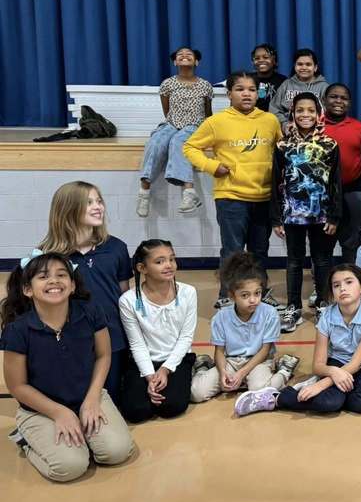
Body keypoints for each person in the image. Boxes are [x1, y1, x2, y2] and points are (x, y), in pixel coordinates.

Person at [1, 251, 135, 483]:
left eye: (61, 275)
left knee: (116, 452)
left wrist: (93, 398)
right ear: (27, 289)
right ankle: (27, 438)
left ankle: (83, 432)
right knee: (70, 467)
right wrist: (59, 412)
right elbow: (17, 386)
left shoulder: (90, 312)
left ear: (72, 285)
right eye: (43, 277)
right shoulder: (18, 330)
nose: (54, 280)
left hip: (88, 397)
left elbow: (103, 356)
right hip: (41, 409)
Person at [184, 70, 281, 310]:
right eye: (240, 89)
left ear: (258, 93)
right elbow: (190, 147)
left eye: (251, 89)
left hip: (264, 196)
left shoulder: (270, 120)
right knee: (233, 250)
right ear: (229, 94)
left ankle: (259, 291)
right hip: (231, 197)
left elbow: (281, 151)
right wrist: (212, 166)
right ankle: (227, 294)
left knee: (260, 249)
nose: (246, 94)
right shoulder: (217, 121)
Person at [234, 265, 361, 416]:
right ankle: (275, 398)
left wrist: (321, 385)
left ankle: (325, 391)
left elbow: (356, 364)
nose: (342, 288)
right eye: (336, 285)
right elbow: (318, 366)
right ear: (332, 293)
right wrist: (332, 372)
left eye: (349, 282)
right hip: (336, 363)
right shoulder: (327, 317)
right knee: (330, 403)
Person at [40, 181, 131, 402]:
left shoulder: (116, 247)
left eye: (99, 201)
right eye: (89, 202)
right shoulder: (47, 254)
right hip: (71, 338)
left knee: (110, 401)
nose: (98, 206)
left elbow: (124, 295)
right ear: (68, 208)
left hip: (113, 337)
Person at [271, 93, 342, 330]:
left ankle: (323, 304)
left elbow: (335, 183)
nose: (305, 115)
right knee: (294, 261)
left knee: (322, 260)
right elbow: (275, 182)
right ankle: (293, 308)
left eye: (311, 110)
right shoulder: (283, 145)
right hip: (292, 214)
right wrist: (276, 217)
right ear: (292, 113)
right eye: (300, 110)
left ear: (318, 113)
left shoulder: (329, 144)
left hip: (321, 213)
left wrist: (334, 215)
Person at [191, 253, 299, 403]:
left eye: (257, 293)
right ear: (232, 296)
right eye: (245, 295)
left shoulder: (270, 314)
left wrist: (242, 373)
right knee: (196, 393)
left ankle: (284, 370)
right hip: (231, 361)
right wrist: (223, 373)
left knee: (259, 391)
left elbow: (265, 350)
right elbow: (220, 351)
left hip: (259, 361)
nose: (253, 300)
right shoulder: (221, 317)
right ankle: (203, 367)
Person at [117, 240, 197, 423]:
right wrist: (150, 376)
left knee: (172, 407)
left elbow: (186, 337)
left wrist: (166, 370)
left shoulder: (188, 293)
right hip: (145, 360)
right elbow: (137, 343)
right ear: (142, 268)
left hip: (175, 359)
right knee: (136, 412)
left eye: (172, 259)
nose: (169, 265)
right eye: (159, 261)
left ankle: (194, 367)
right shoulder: (128, 301)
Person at [136, 46, 213, 217]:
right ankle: (144, 192)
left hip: (195, 125)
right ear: (175, 61)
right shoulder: (167, 84)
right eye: (180, 55)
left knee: (179, 141)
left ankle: (188, 193)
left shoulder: (205, 85)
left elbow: (208, 112)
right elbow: (167, 110)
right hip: (172, 123)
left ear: (196, 61)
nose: (184, 56)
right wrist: (173, 124)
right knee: (156, 142)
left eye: (189, 54)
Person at [322, 83, 361, 263]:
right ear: (324, 100)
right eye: (334, 96)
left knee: (353, 241)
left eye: (343, 98)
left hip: (353, 189)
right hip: (324, 194)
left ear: (349, 103)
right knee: (323, 243)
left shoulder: (359, 128)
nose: (338, 101)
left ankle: (353, 283)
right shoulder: (315, 127)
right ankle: (322, 287)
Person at [269, 48, 329, 128]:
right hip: (288, 130)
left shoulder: (323, 87)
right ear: (295, 66)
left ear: (315, 67)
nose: (304, 67)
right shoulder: (286, 84)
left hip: (315, 131)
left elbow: (328, 113)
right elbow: (274, 108)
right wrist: (285, 124)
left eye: (308, 64)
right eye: (300, 64)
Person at [252, 43, 287, 113]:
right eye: (257, 58)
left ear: (274, 61)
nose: (261, 60)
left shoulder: (283, 81)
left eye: (266, 57)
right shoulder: (248, 79)